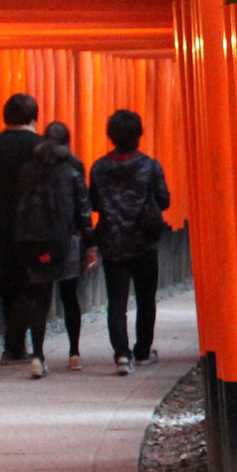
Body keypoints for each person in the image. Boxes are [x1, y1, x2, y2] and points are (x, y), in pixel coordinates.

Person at [90, 108, 172, 372]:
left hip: (112, 242)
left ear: (110, 135)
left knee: (117, 301)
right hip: (144, 242)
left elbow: (93, 203)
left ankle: (122, 354)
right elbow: (164, 200)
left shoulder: (100, 168)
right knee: (146, 299)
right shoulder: (149, 166)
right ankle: (142, 350)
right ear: (139, 134)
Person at [9, 122, 90, 380]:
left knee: (40, 300)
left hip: (36, 241)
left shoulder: (28, 170)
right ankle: (74, 353)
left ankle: (38, 356)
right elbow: (83, 210)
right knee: (69, 297)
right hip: (67, 241)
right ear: (67, 142)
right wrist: (91, 243)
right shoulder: (73, 169)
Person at [0, 93, 43, 362]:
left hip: (2, 224)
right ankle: (29, 344)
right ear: (33, 116)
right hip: (35, 227)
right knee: (32, 284)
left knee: (9, 285)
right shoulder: (41, 145)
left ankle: (12, 346)